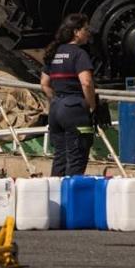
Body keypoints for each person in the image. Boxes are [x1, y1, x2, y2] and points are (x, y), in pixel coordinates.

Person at [39, 13, 98, 178]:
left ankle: (56, 197)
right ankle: (72, 198)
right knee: (76, 158)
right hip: (74, 110)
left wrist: (57, 99)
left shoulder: (54, 52)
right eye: (86, 29)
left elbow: (44, 83)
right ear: (76, 32)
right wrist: (90, 105)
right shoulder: (79, 54)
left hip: (56, 109)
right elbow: (86, 82)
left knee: (60, 157)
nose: (88, 33)